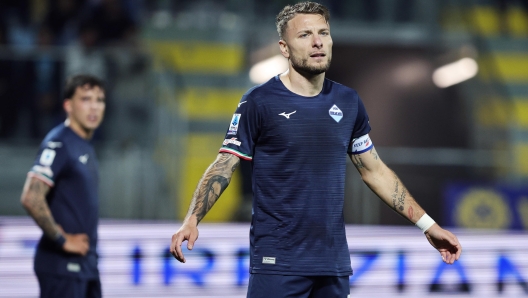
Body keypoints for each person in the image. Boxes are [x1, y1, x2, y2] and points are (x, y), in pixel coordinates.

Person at [170, 2, 462, 297]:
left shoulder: (348, 102)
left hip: (332, 265)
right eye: (305, 35)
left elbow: (374, 171)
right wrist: (192, 220)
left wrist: (428, 225)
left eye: (324, 32)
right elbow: (225, 164)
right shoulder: (258, 102)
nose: (318, 41)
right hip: (277, 264)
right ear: (284, 48)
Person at [20, 74, 106, 298]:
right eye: (86, 99)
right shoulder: (59, 143)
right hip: (62, 267)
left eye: (99, 100)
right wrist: (62, 239)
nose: (94, 107)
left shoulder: (84, 146)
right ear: (68, 105)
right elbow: (31, 196)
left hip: (85, 267)